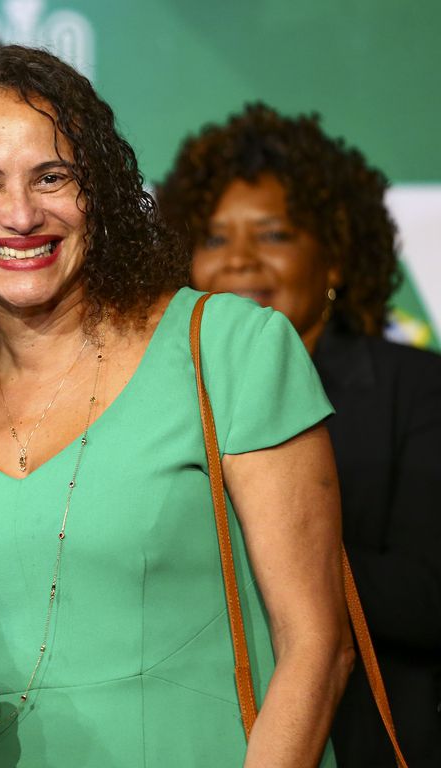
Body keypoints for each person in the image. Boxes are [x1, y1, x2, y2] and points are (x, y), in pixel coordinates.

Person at [0, 46, 353, 766]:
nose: (21, 213)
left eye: (53, 177)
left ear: (98, 191)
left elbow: (318, 648)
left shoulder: (228, 349)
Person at [157, 102, 441, 767]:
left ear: (336, 258)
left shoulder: (417, 390)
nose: (240, 262)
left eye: (275, 235)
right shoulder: (156, 402)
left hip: (364, 739)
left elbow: (431, 595)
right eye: (214, 239)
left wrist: (283, 548)